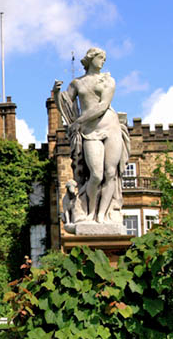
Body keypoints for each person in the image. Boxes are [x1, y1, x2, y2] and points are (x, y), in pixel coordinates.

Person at [53, 48, 130, 225]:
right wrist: (56, 93)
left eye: (104, 59)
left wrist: (79, 121)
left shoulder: (108, 81)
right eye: (100, 58)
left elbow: (103, 106)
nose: (103, 62)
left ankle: (103, 215)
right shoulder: (77, 83)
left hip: (111, 127)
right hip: (90, 132)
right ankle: (91, 212)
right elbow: (64, 105)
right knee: (95, 174)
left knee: (110, 173)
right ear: (90, 59)